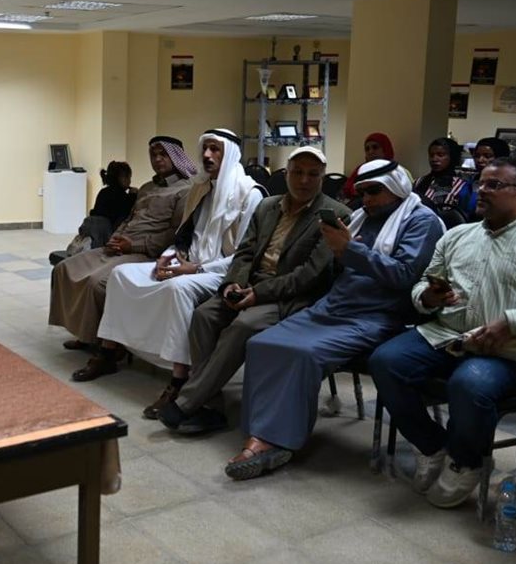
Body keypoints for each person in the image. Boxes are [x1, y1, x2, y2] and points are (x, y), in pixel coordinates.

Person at [369, 157, 516, 508]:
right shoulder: (458, 236)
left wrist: (514, 321)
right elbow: (422, 285)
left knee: (470, 381)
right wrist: (428, 297)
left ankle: (466, 462)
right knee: (385, 361)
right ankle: (433, 446)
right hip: (448, 335)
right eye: (480, 183)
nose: (481, 190)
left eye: (494, 185)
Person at [222, 160, 444, 480]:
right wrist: (334, 251)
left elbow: (405, 275)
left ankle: (275, 441)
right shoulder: (362, 217)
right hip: (334, 307)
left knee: (302, 353)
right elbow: (339, 270)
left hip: (377, 315)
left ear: (396, 188)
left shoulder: (421, 222)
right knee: (260, 343)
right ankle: (261, 429)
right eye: (362, 193)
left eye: (373, 192)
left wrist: (350, 249)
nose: (366, 200)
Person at [158, 146, 349, 436]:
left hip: (289, 296)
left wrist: (258, 294)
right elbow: (244, 253)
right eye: (298, 172)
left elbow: (309, 275)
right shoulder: (268, 206)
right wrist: (232, 284)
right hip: (250, 285)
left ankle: (187, 402)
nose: (304, 180)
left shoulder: (335, 215)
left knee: (243, 325)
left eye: (313, 174)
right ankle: (211, 407)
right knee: (203, 316)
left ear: (322, 177)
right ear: (286, 174)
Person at [95, 129, 264, 416]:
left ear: (230, 153)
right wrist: (168, 256)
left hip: (221, 271)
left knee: (178, 288)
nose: (207, 155)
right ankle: (109, 352)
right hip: (189, 262)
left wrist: (195, 269)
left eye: (215, 149)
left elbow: (244, 257)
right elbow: (185, 236)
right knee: (122, 275)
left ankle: (179, 379)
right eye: (205, 149)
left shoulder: (250, 194)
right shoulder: (200, 189)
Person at [50, 136, 195, 378]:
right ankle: (85, 335)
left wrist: (133, 245)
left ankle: (108, 349)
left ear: (176, 156)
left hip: (147, 252)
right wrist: (116, 238)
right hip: (120, 245)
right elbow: (129, 219)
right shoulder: (147, 188)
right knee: (64, 269)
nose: (157, 159)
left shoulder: (186, 190)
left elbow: (175, 233)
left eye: (163, 154)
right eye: (153, 155)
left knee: (97, 282)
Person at [413, 137, 472, 220]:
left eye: (440, 155)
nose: (434, 159)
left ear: (452, 157)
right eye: (431, 155)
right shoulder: (419, 182)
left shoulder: (461, 186)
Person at [342, 132, 395, 201]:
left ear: (385, 148)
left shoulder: (395, 171)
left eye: (375, 147)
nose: (370, 152)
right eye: (367, 149)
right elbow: (347, 190)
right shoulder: (361, 170)